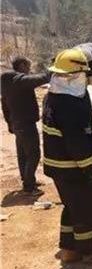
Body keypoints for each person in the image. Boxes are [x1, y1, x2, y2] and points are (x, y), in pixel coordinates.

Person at [42, 48, 92, 264]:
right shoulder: (69, 104)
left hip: (57, 165)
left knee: (71, 206)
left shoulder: (53, 96)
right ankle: (90, 252)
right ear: (74, 76)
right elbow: (76, 143)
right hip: (71, 166)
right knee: (84, 208)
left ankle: (68, 249)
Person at [1, 56, 50, 196]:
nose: (29, 70)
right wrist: (53, 72)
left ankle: (28, 180)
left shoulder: (7, 82)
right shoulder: (17, 80)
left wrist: (9, 123)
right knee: (34, 154)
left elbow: (4, 104)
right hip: (25, 123)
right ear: (22, 65)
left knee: (23, 154)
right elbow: (40, 79)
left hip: (17, 123)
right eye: (28, 66)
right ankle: (29, 186)